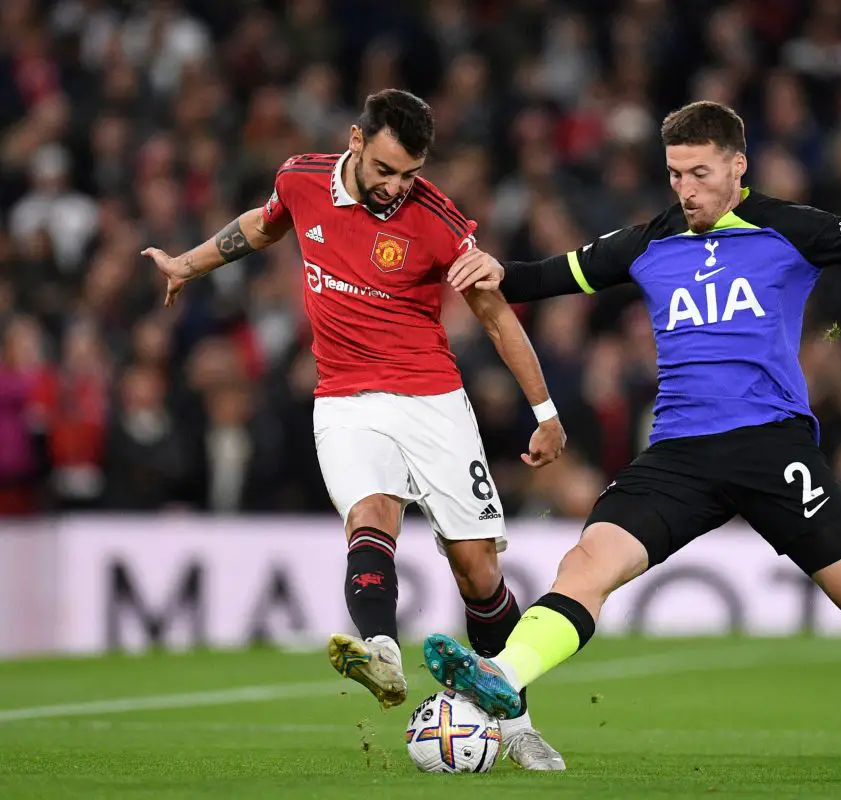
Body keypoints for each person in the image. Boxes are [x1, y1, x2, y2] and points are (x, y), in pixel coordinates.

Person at [423, 101, 841, 780]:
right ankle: (500, 674)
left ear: (738, 167)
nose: (685, 189)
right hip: (680, 453)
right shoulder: (649, 241)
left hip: (773, 450)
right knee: (586, 564)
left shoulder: (787, 228)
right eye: (674, 174)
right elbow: (546, 276)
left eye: (699, 173)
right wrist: (490, 269)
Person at [142, 89, 567, 771]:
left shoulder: (435, 219)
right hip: (344, 397)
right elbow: (261, 226)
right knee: (370, 515)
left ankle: (515, 722)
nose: (397, 187)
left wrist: (546, 412)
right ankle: (382, 652)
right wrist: (186, 266)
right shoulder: (301, 179)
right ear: (356, 141)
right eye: (386, 170)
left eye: (411, 174)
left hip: (431, 398)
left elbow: (493, 313)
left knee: (477, 569)